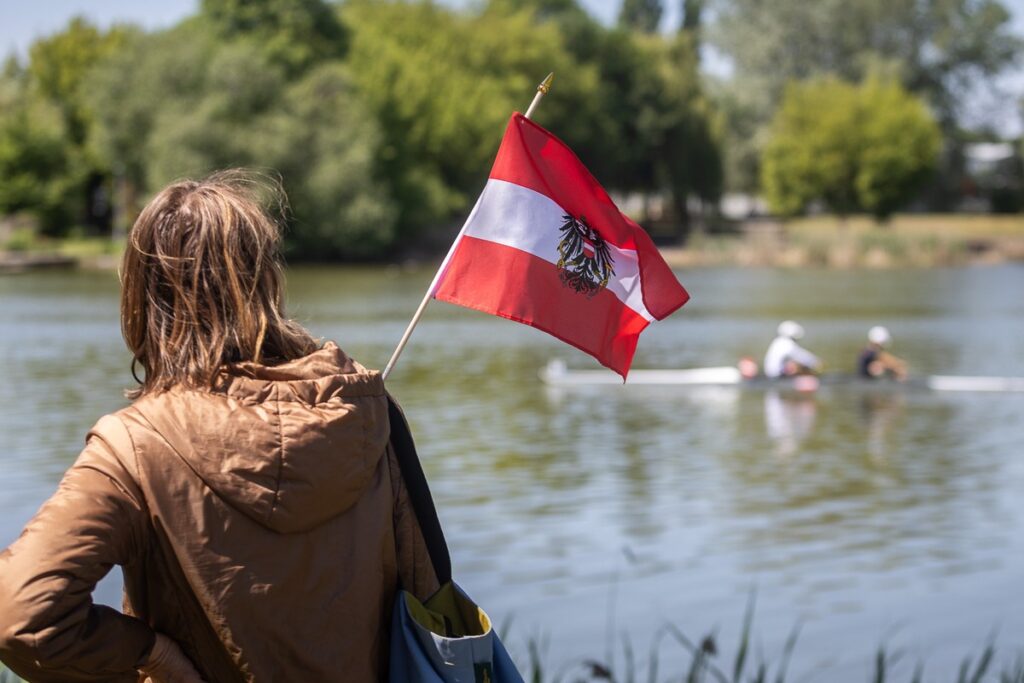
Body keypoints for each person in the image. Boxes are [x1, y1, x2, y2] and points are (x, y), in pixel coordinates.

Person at [0, 171, 439, 682]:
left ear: (142, 299)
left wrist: (152, 657)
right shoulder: (365, 414)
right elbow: (429, 602)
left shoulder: (134, 446)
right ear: (266, 282)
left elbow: (20, 617)